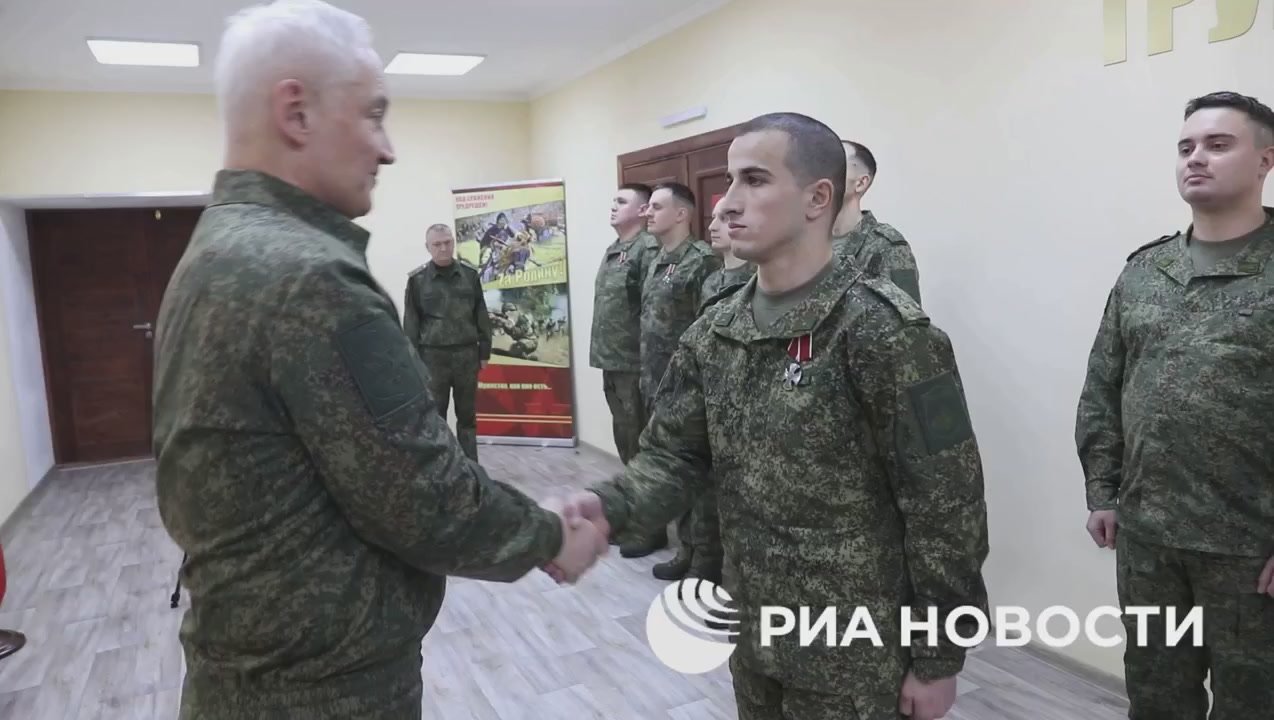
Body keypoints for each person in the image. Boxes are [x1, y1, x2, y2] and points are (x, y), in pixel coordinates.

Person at [151, 2, 605, 718]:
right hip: (325, 691)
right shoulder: (309, 277)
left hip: (251, 672)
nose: (387, 150)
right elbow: (423, 500)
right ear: (296, 112)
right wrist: (548, 534)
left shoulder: (222, 246)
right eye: (373, 115)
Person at [556, 112, 989, 720]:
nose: (727, 202)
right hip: (755, 631)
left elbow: (947, 507)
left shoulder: (886, 333)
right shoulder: (715, 330)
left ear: (818, 199)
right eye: (730, 180)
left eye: (755, 180)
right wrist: (609, 508)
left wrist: (938, 657)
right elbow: (674, 456)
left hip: (857, 656)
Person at [1075, 90, 1274, 720]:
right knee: (1158, 697)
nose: (1197, 158)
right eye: (1186, 146)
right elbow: (1104, 386)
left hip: (1250, 547)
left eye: (1218, 144)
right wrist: (1103, 490)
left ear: (1266, 160)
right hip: (1149, 540)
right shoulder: (1145, 270)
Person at [655, 197, 755, 583]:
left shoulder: (755, 277)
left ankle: (710, 563)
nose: (712, 226)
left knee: (721, 488)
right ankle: (691, 551)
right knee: (693, 477)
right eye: (713, 218)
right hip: (703, 392)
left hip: (737, 398)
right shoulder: (712, 279)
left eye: (725, 218)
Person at [628, 181, 721, 564]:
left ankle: (701, 554)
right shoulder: (656, 259)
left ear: (681, 214)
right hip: (654, 381)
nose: (647, 213)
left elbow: (709, 327)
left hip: (687, 387)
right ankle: (682, 546)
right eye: (647, 206)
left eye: (656, 207)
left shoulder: (702, 261)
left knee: (692, 471)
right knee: (665, 467)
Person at [402, 223, 491, 462]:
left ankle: (472, 467)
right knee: (435, 418)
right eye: (437, 244)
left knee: (467, 417)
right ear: (428, 247)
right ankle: (442, 468)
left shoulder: (469, 275)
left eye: (447, 242)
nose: (443, 248)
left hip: (466, 356)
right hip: (433, 359)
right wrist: (412, 361)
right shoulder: (418, 280)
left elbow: (481, 313)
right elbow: (411, 322)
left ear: (453, 242)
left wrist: (485, 351)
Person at [589, 183, 658, 467]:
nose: (613, 206)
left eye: (621, 201)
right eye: (613, 201)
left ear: (642, 210)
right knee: (624, 432)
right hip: (611, 359)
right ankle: (630, 485)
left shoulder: (648, 250)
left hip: (634, 363)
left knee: (638, 436)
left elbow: (652, 309)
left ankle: (641, 489)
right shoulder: (615, 248)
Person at [831, 140, 922, 304]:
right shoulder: (801, 241)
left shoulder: (888, 247)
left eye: (833, 165)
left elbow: (909, 316)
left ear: (860, 183)